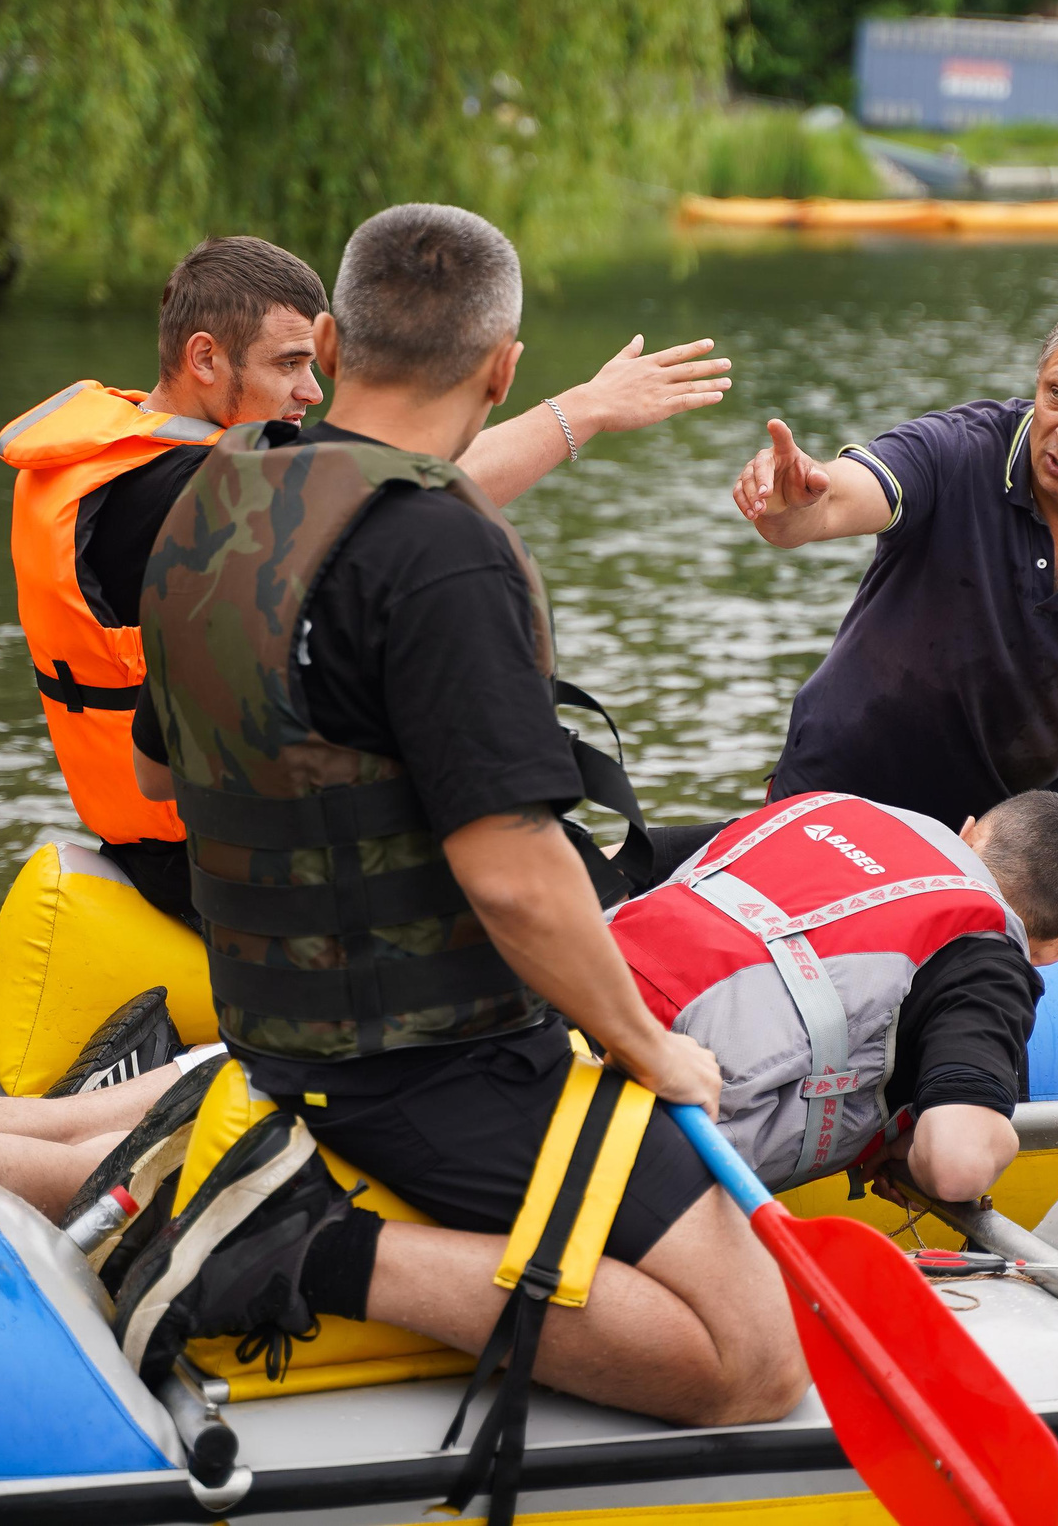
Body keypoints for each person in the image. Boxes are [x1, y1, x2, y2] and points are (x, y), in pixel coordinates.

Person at [126, 201, 800, 1439]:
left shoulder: (211, 498)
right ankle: (307, 1246)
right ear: (502, 368)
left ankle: (292, 1199)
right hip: (433, 1072)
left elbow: (165, 779)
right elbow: (511, 874)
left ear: (327, 341)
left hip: (277, 1034)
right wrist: (646, 1049)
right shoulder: (440, 547)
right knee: (752, 1357)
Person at [0, 790, 1058, 1218]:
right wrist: (918, 1119)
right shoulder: (984, 951)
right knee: (127, 1150)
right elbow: (961, 1158)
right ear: (1045, 946)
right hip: (552, 1091)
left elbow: (593, 857)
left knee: (93, 1107)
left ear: (974, 818)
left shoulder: (820, 808)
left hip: (459, 990)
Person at [0, 234, 731, 925]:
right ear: (204, 358)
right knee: (704, 852)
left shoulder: (101, 460)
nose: (310, 392)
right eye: (288, 365)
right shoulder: (199, 492)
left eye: (312, 363)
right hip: (232, 871)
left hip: (174, 843)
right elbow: (416, 486)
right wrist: (585, 410)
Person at [731, 295, 1058, 1039]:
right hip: (846, 795)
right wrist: (798, 510)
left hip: (1024, 842)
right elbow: (848, 495)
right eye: (1056, 396)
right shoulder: (961, 449)